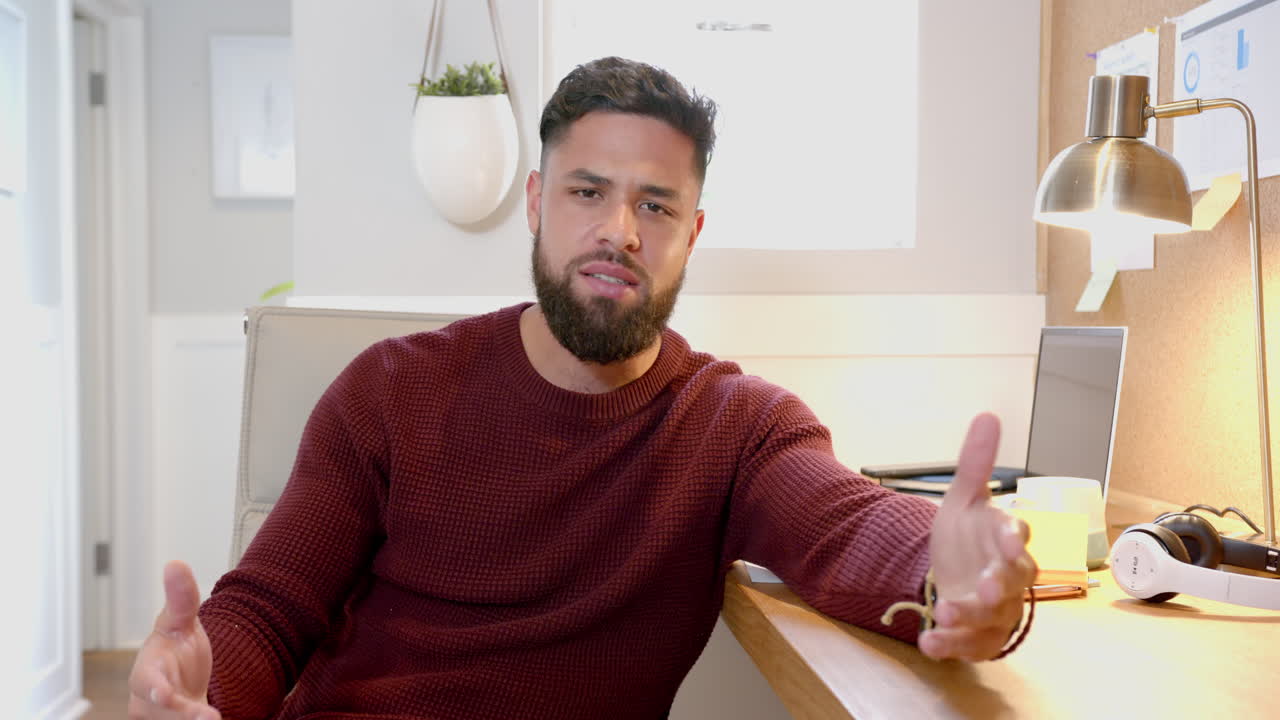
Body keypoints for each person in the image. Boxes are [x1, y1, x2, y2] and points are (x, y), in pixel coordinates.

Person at [128, 56, 1037, 720]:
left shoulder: (734, 426)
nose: (619, 231)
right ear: (535, 202)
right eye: (587, 192)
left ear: (693, 232)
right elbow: (267, 610)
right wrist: (196, 687)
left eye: (655, 205)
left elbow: (849, 526)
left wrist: (961, 576)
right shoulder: (389, 391)